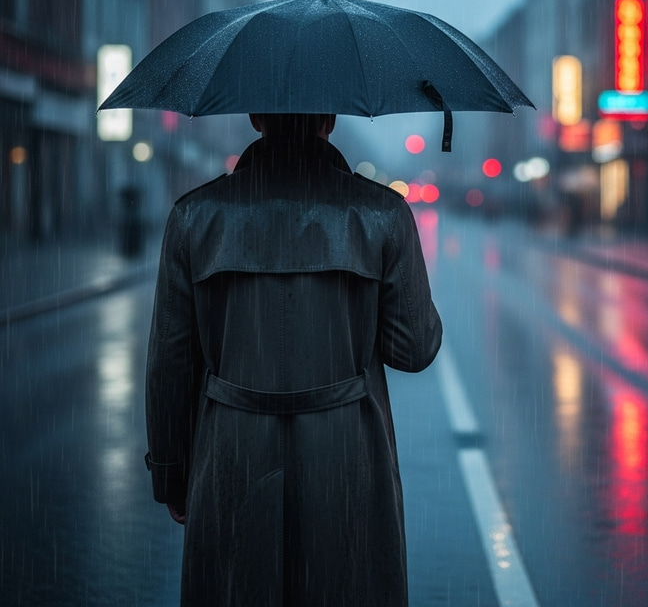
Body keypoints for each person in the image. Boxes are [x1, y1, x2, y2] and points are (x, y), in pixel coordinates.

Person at [144, 112, 442, 606]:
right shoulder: (382, 214)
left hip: (232, 455)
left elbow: (170, 365)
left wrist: (171, 475)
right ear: (330, 119)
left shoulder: (194, 217)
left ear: (255, 118)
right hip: (346, 458)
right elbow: (413, 349)